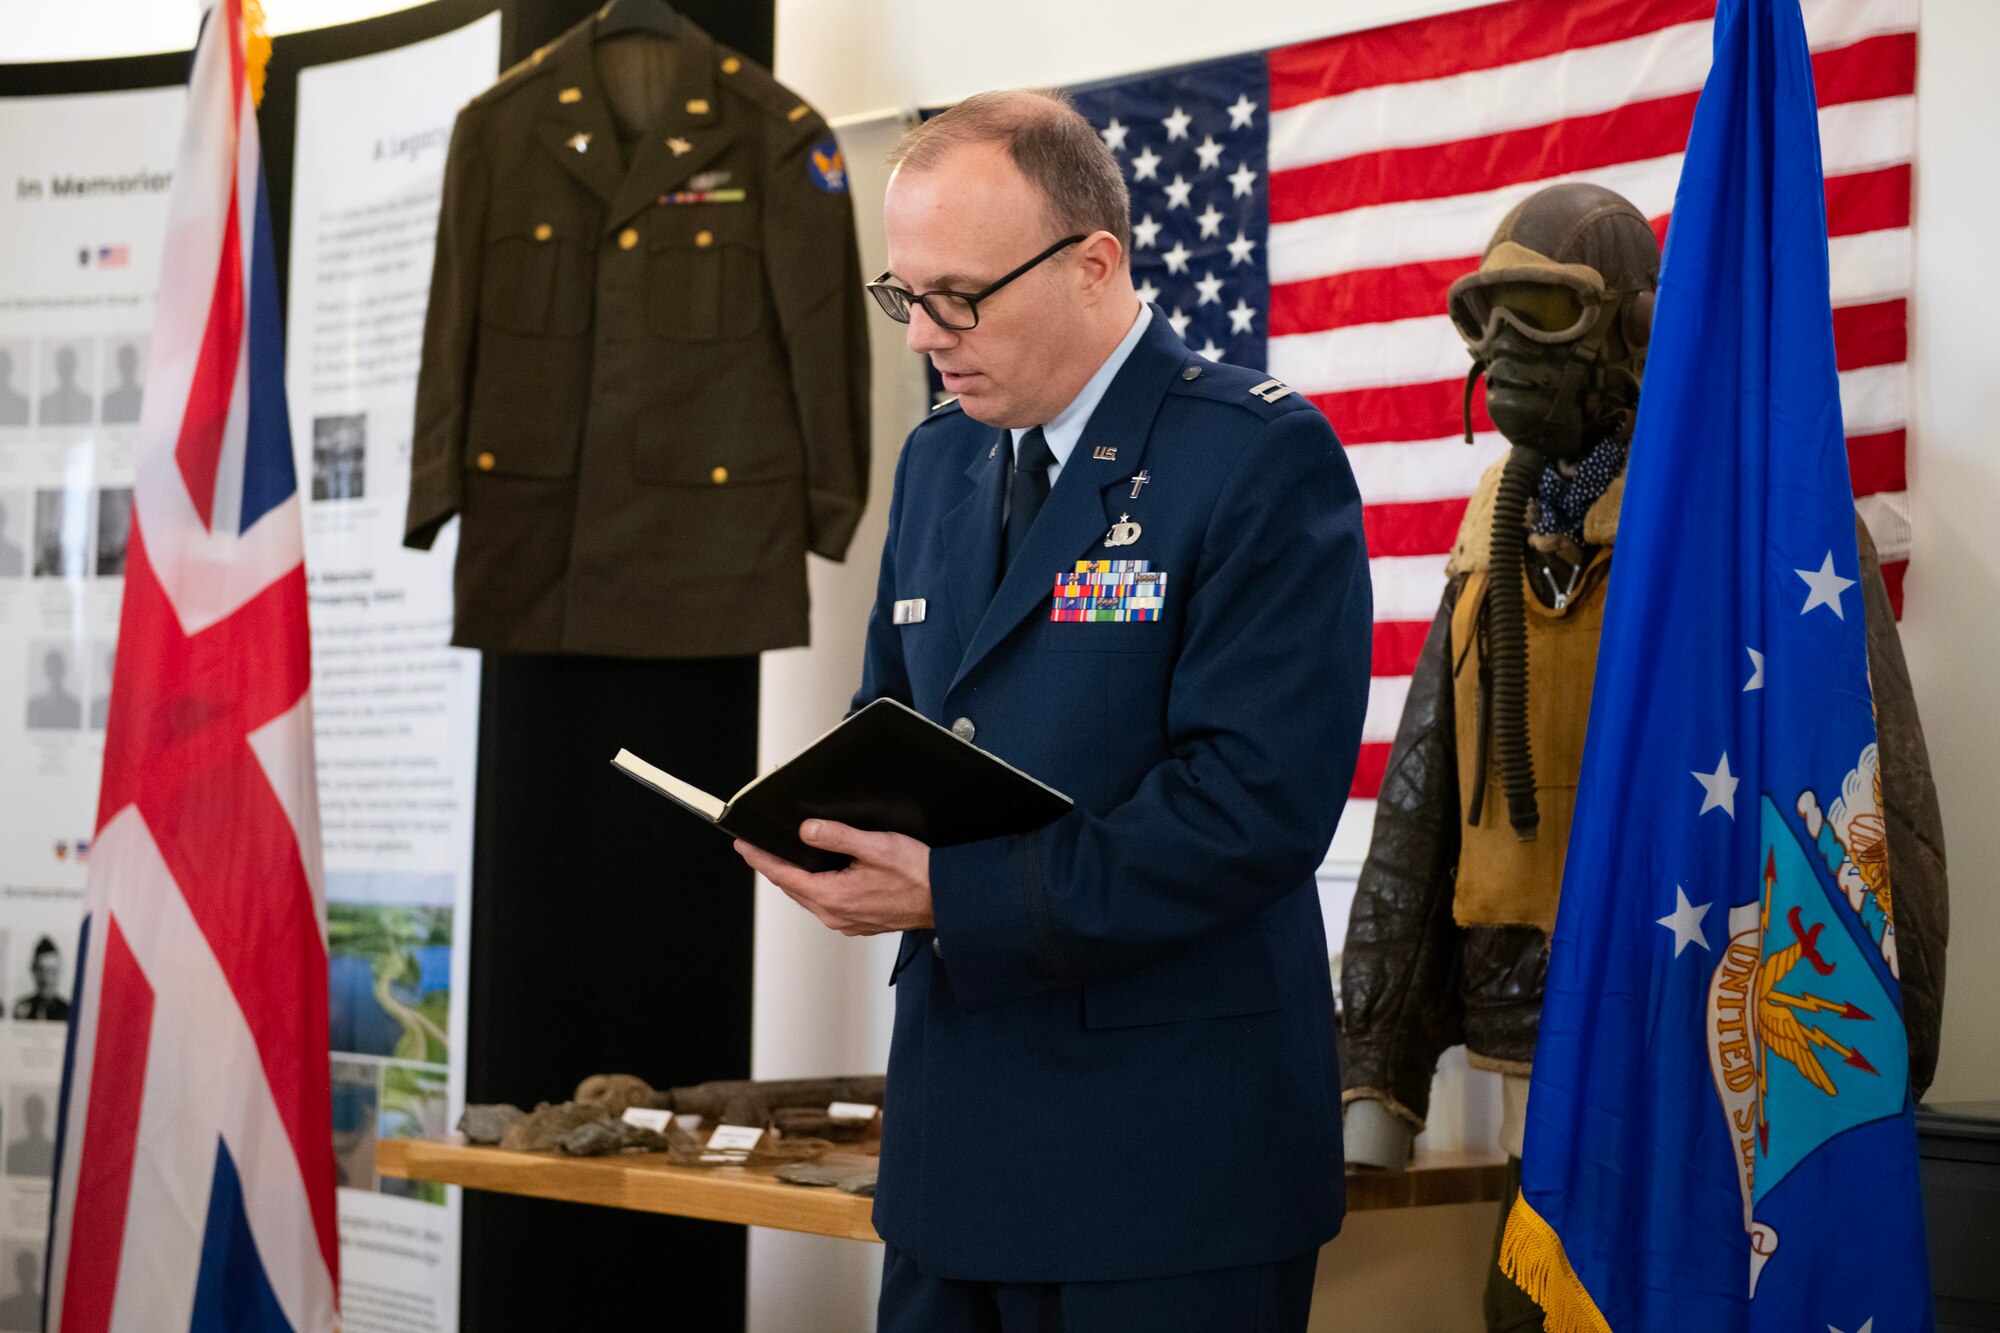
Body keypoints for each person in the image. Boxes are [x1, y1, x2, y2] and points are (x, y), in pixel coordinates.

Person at [734, 90, 1371, 1333]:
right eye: (903, 295)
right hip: (952, 1152)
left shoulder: (1250, 456)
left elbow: (1249, 810)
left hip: (1170, 1165)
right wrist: (830, 833)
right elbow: (897, 728)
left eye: (958, 296)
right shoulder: (936, 462)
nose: (924, 335)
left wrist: (945, 894)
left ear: (1093, 266)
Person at [1337, 182, 1947, 1333]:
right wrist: (1376, 1067)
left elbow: (1871, 786)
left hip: (1715, 1037)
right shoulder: (1491, 533)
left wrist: (1883, 1047)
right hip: (1533, 1038)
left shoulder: (1757, 520)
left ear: (1633, 323)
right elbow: (1422, 795)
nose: (1507, 349)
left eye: (1542, 312)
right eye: (1486, 317)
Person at [13, 936, 69, 1020]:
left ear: (59, 972)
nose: (46, 978)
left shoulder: (69, 1011)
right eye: (41, 970)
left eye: (51, 971)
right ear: (33, 971)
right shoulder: (20, 1009)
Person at [25, 650, 80, 731]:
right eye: (51, 668)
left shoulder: (74, 705)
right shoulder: (34, 705)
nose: (54, 672)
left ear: (63, 670)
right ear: (46, 671)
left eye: (57, 667)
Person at [37, 346, 91, 427]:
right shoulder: (45, 404)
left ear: (74, 367)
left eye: (68, 365)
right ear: (57, 368)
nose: (65, 369)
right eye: (62, 365)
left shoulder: (87, 402)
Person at [5, 1095, 53, 1177]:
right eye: (31, 1115)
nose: (33, 1119)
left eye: (36, 1115)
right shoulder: (13, 1151)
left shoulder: (51, 1150)